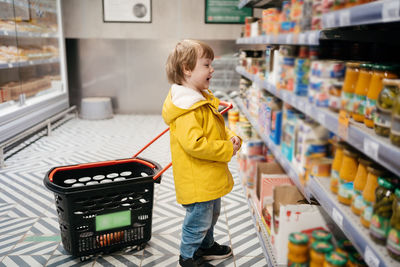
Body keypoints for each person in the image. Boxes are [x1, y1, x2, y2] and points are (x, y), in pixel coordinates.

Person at [162, 39, 241, 267]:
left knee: (211, 215)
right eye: (206, 65)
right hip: (197, 179)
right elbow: (195, 144)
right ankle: (188, 256)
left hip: (207, 175)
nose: (212, 69)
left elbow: (213, 127)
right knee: (198, 219)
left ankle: (206, 246)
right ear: (187, 70)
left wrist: (230, 137)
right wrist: (227, 149)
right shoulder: (188, 109)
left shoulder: (200, 100)